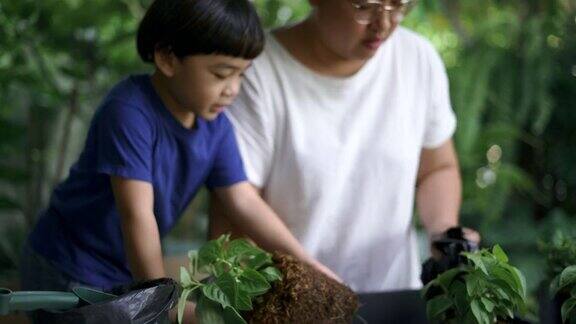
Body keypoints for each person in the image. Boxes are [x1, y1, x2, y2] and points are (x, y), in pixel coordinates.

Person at [20, 0, 337, 322]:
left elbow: (242, 199)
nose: (233, 90)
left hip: (124, 267)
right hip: (70, 263)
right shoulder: (130, 110)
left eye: (242, 75)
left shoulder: (216, 126)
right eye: (221, 74)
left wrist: (308, 265)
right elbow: (137, 214)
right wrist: (163, 301)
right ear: (167, 58)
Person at [210, 0, 480, 293]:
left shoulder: (417, 59)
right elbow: (235, 210)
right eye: (365, 6)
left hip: (393, 296)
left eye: (398, 6)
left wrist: (442, 231)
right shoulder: (255, 72)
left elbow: (437, 168)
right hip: (290, 302)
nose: (384, 23)